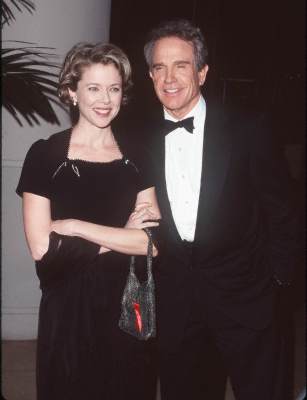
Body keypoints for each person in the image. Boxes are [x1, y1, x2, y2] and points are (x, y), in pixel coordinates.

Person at [142, 19, 298, 400]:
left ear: (203, 71)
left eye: (181, 65)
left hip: (249, 301)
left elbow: (283, 210)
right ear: (150, 76)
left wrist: (279, 284)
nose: (170, 77)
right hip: (177, 306)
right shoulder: (137, 137)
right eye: (159, 67)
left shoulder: (250, 128)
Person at [16, 42, 160, 400]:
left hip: (128, 303)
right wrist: (122, 233)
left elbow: (148, 245)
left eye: (114, 88)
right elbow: (44, 249)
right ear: (71, 92)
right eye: (93, 88)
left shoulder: (138, 155)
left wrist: (76, 226)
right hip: (68, 306)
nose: (105, 99)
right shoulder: (45, 154)